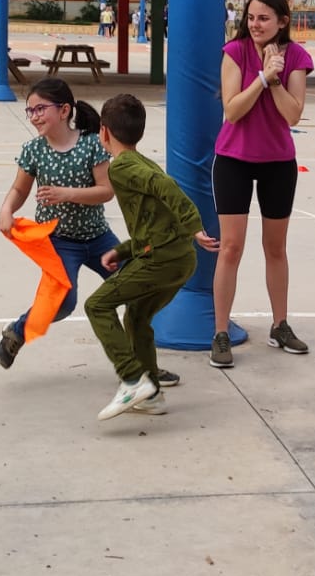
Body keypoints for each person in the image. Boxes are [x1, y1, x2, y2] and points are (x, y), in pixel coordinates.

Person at [85, 93, 218, 421]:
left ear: (104, 132)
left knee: (97, 305)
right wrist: (122, 250)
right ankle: (152, 395)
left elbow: (165, 186)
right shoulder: (141, 161)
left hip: (161, 260)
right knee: (137, 316)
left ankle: (132, 379)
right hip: (180, 259)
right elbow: (152, 222)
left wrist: (194, 225)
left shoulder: (122, 167)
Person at [0, 78, 130, 374]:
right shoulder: (34, 150)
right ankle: (17, 331)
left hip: (98, 238)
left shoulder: (91, 144)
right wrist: (6, 210)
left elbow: (106, 191)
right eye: (30, 111)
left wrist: (67, 194)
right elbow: (19, 189)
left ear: (64, 110)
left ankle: (139, 356)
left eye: (40, 109)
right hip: (58, 242)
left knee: (136, 282)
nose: (34, 116)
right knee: (64, 303)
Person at [209, 0, 313, 368]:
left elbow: (293, 114)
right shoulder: (234, 52)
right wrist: (261, 77)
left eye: (264, 18)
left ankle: (279, 325)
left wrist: (277, 80)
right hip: (233, 160)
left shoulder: (297, 57)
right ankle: (221, 332)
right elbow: (233, 110)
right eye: (251, 17)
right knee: (230, 247)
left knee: (275, 248)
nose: (255, 24)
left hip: (278, 163)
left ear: (282, 21)